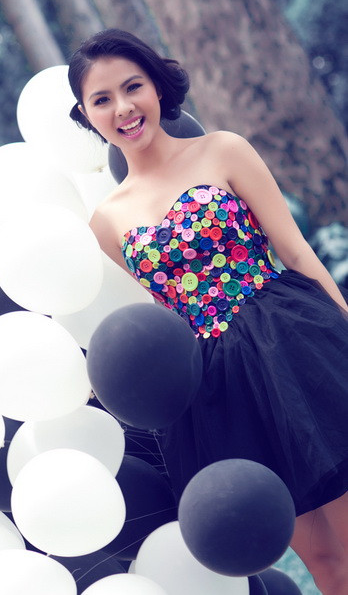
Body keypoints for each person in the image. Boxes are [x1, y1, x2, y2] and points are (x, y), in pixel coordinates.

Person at [68, 29, 348, 595]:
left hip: (292, 346)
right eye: (102, 99)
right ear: (87, 115)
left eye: (132, 87)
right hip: (220, 391)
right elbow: (159, 315)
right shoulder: (104, 223)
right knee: (323, 560)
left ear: (156, 87)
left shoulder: (223, 150)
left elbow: (295, 251)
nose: (122, 108)